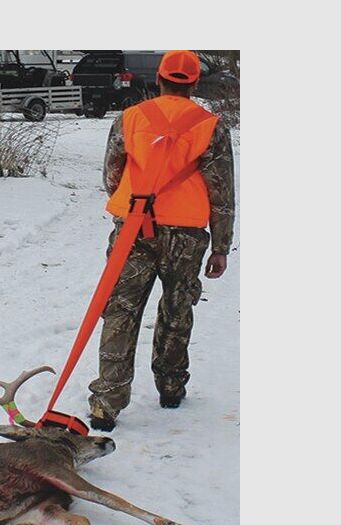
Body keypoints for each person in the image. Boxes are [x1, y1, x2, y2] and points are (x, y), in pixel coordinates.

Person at [87, 50, 235, 432]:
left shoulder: (130, 118)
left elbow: (112, 173)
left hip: (133, 229)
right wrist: (221, 246)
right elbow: (221, 192)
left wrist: (135, 204)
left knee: (120, 310)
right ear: (194, 83)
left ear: (159, 78)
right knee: (176, 309)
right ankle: (170, 386)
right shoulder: (210, 126)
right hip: (185, 235)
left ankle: (107, 401)